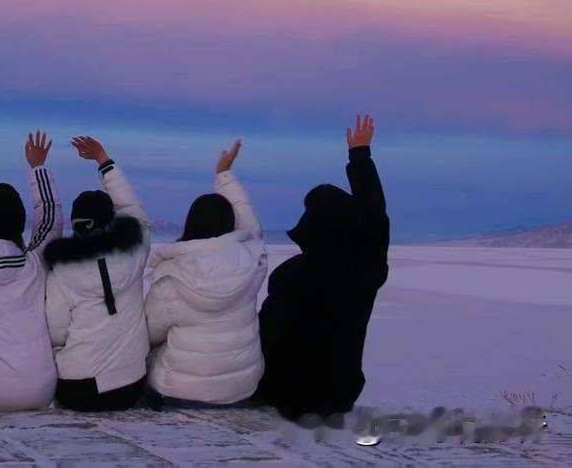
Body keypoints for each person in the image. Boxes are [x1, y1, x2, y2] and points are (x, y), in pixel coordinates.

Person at [252, 115, 389, 421]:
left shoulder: (292, 275)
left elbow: (268, 337)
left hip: (286, 394)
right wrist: (361, 158)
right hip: (339, 394)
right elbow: (376, 221)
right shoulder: (365, 272)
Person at [144, 139, 268, 408]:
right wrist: (225, 175)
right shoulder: (251, 260)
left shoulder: (174, 275)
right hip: (241, 388)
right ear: (230, 224)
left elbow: (150, 333)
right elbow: (251, 226)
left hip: (181, 391)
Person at [43, 135, 151, 411]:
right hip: (130, 385)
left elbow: (56, 331)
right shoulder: (134, 250)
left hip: (78, 388)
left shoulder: (62, 270)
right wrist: (104, 161)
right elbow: (133, 210)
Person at [0, 130, 64, 412]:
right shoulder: (33, 264)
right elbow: (50, 218)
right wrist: (38, 167)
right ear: (19, 226)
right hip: (41, 390)